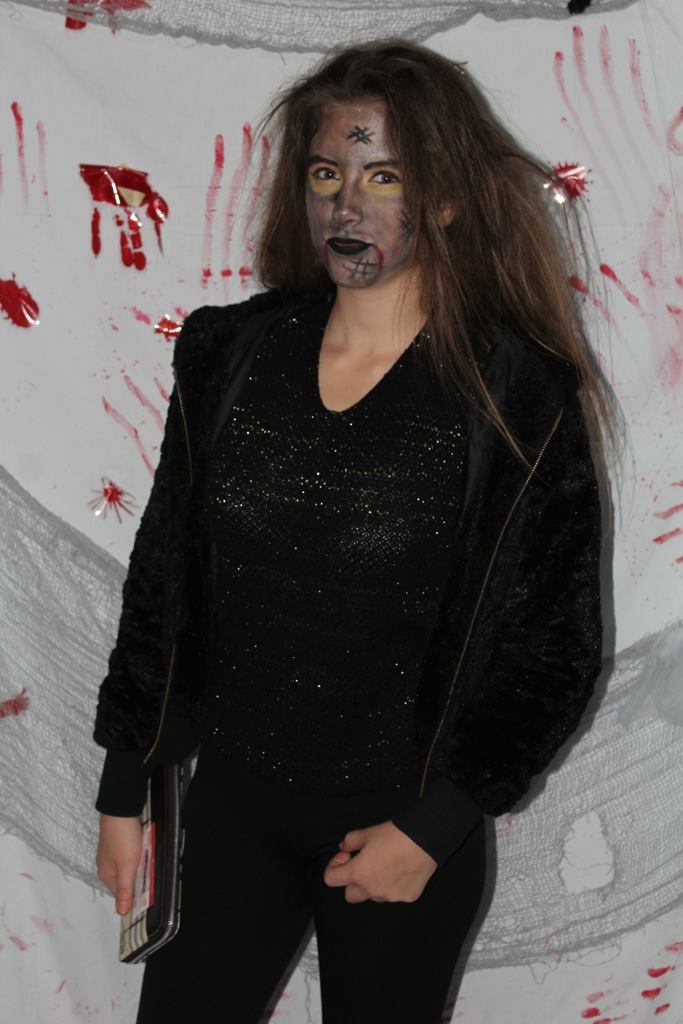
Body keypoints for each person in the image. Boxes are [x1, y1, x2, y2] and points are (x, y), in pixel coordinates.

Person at [94, 39, 609, 1024]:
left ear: (445, 200)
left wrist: (433, 827)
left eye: (383, 177)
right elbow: (163, 583)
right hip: (233, 813)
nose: (345, 205)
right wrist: (129, 785)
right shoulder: (228, 356)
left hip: (400, 829)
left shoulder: (514, 394)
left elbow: (555, 645)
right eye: (326, 174)